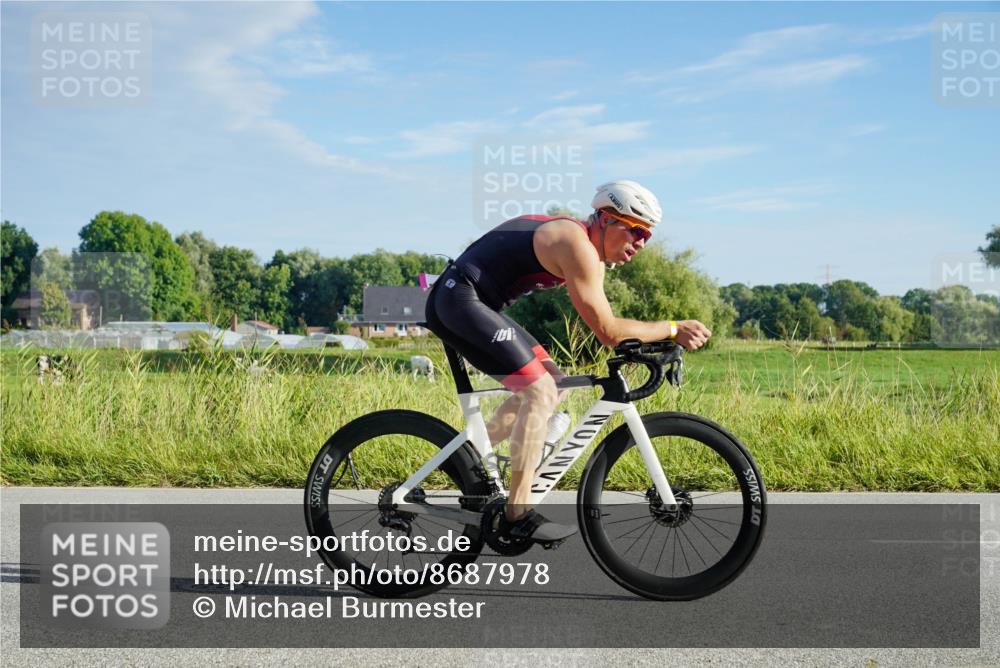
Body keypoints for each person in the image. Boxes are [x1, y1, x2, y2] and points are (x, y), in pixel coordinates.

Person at [424, 180, 712, 543]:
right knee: (540, 393)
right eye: (636, 231)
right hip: (459, 299)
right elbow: (608, 331)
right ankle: (517, 515)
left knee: (553, 386)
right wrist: (672, 328)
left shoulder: (590, 253)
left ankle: (464, 462)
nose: (640, 244)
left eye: (647, 237)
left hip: (473, 303)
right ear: (606, 220)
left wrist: (648, 341)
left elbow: (609, 326)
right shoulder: (576, 244)